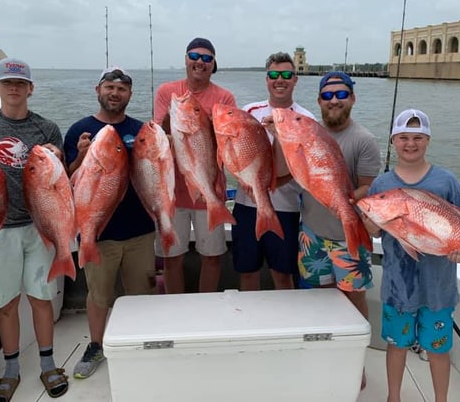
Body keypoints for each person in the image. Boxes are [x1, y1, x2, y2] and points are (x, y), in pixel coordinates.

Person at [0, 56, 68, 401]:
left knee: (41, 298)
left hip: (39, 226)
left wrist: (59, 157)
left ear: (30, 88)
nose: (14, 89)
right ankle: (12, 369)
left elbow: (60, 181)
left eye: (20, 84)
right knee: (6, 303)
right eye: (7, 83)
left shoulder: (47, 128)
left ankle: (48, 365)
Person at [361, 109, 460, 402]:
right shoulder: (382, 185)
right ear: (393, 141)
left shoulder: (446, 182)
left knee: (438, 349)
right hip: (398, 286)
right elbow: (378, 233)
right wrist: (370, 223)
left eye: (417, 137)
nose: (410, 143)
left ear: (428, 140)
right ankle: (393, 397)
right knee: (397, 346)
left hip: (438, 287)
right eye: (403, 137)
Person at [64, 66, 157, 379]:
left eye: (122, 89)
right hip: (98, 230)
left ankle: (141, 342)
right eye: (109, 87)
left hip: (141, 229)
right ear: (98, 90)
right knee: (98, 294)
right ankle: (95, 345)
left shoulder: (141, 129)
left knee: (142, 292)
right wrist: (80, 159)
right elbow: (64, 179)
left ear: (130, 95)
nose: (115, 93)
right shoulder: (80, 129)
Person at [296, 71, 381, 390]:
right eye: (328, 95)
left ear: (352, 98)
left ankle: (356, 363)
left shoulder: (364, 140)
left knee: (353, 300)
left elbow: (370, 188)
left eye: (341, 94)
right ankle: (323, 356)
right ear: (318, 101)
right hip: (312, 235)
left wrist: (338, 197)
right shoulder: (308, 133)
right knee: (318, 300)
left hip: (349, 237)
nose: (334, 100)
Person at [153, 37, 236, 293]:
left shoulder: (224, 97)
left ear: (213, 64)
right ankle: (177, 307)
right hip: (172, 193)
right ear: (186, 59)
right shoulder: (166, 92)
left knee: (211, 257)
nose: (200, 62)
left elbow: (229, 141)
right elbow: (158, 136)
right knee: (172, 257)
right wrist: (172, 117)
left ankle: (206, 307)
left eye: (207, 58)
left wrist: (203, 125)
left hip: (210, 188)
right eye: (195, 56)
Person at [231, 52, 314, 290]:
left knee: (282, 274)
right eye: (274, 74)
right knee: (247, 272)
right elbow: (232, 155)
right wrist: (244, 179)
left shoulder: (306, 118)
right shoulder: (248, 112)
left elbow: (306, 169)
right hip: (246, 205)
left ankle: (286, 323)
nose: (280, 79)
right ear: (266, 79)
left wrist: (273, 182)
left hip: (286, 208)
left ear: (295, 79)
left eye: (287, 74)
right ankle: (250, 324)